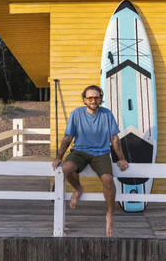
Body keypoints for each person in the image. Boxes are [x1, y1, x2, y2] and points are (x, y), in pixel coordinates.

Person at [52, 85, 129, 237]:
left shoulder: (107, 114)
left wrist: (122, 159)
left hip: (101, 153)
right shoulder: (76, 114)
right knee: (66, 168)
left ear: (100, 98)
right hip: (80, 151)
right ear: (84, 99)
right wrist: (59, 157)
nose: (93, 101)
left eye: (96, 97)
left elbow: (114, 138)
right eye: (90, 98)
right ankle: (79, 189)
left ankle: (110, 215)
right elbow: (68, 137)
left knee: (108, 179)